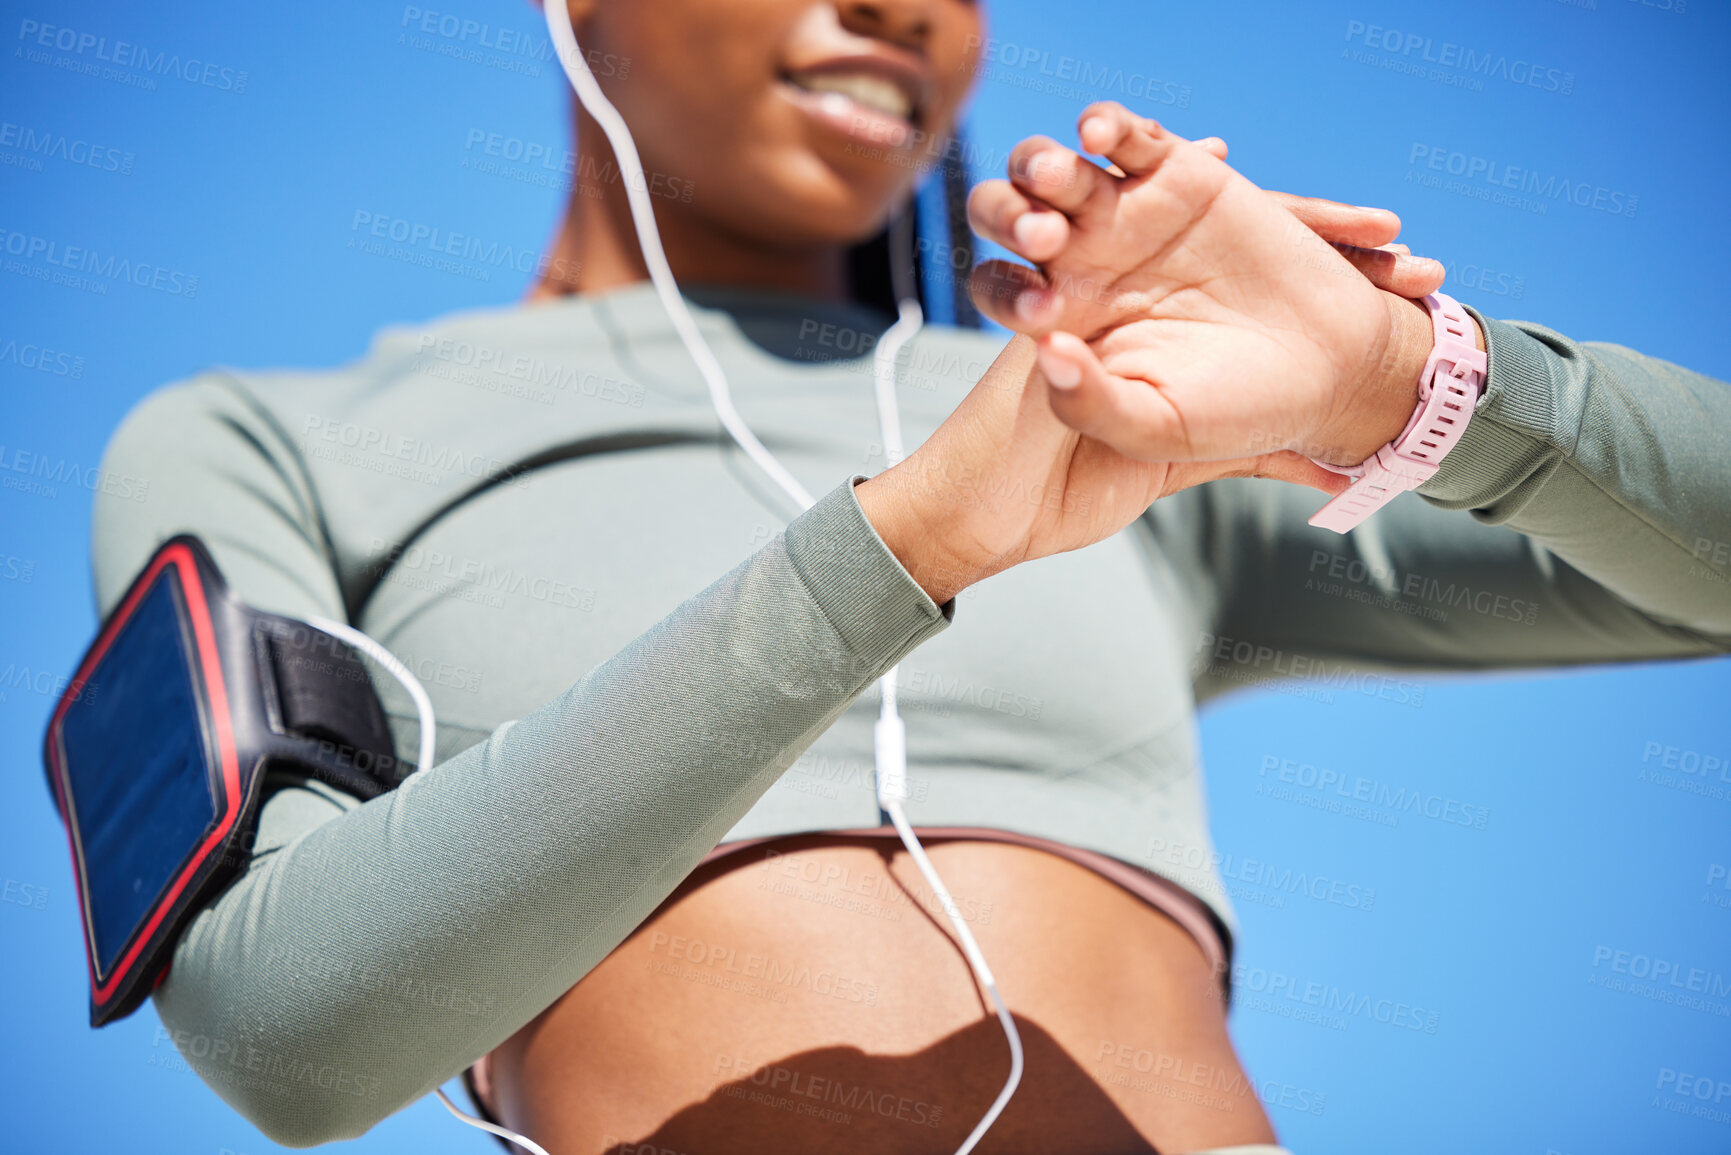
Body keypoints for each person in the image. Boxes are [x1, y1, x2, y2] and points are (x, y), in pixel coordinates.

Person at [88, 1, 1729, 1153]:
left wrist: (1404, 375)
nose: (902, 12)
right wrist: (909, 541)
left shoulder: (1129, 423)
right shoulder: (268, 437)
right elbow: (281, 1034)